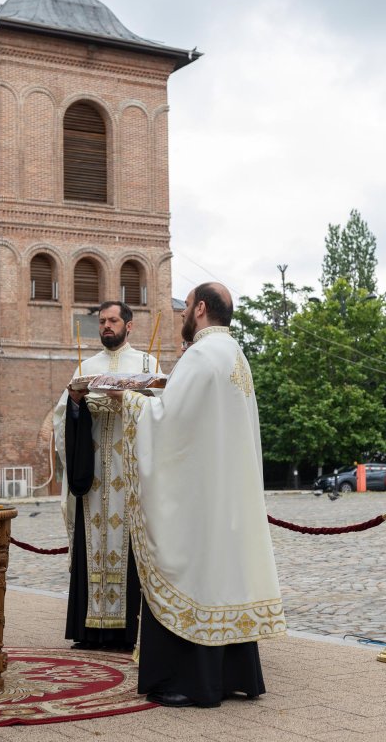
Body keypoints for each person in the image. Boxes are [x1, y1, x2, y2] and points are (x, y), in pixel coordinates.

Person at [121, 282, 286, 707]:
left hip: (199, 501)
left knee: (196, 575)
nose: (180, 317)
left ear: (198, 310)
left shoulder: (200, 355)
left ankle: (191, 682)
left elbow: (169, 421)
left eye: (184, 310)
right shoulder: (235, 355)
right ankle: (233, 676)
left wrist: (132, 402)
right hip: (226, 494)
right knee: (224, 581)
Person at [53, 301, 160, 651]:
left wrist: (126, 399)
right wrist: (74, 402)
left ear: (129, 326)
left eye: (113, 320)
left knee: (129, 545)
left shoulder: (148, 364)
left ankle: (128, 631)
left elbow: (164, 414)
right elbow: (62, 419)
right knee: (92, 543)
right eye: (101, 322)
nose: (106, 327)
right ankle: (90, 630)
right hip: (93, 475)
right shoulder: (86, 367)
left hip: (131, 477)